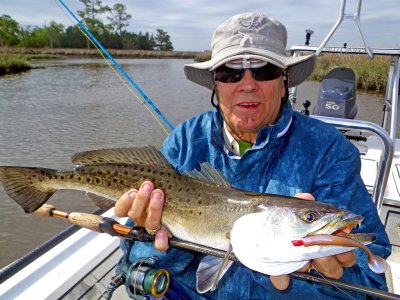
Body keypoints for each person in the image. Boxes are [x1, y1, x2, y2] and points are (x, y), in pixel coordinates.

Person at [115, 12, 391, 299]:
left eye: (264, 70)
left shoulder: (330, 151)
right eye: (229, 72)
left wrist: (301, 275)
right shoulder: (184, 142)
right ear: (215, 83)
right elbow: (136, 262)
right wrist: (163, 241)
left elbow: (371, 281)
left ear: (284, 82)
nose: (247, 84)